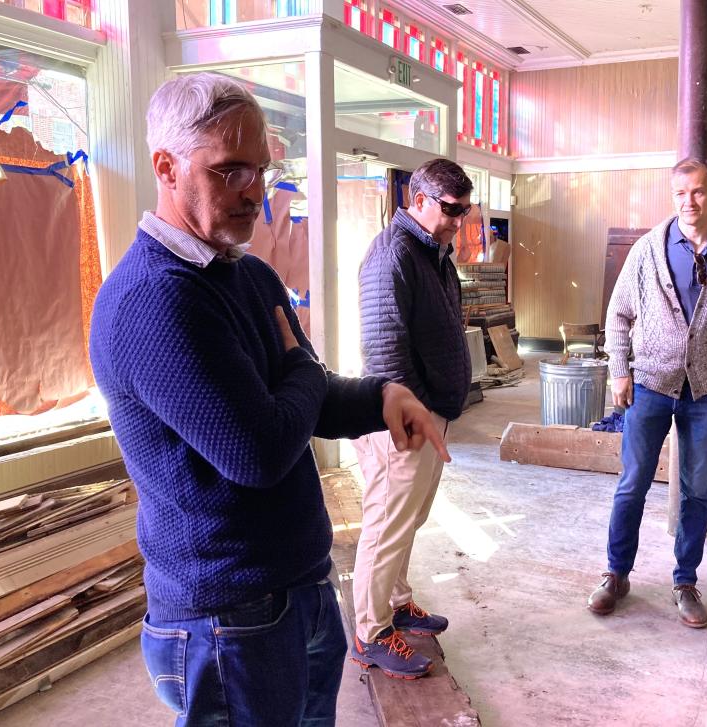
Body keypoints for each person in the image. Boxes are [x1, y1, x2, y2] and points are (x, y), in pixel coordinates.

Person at [89, 72, 448, 726]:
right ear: (165, 167)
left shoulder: (245, 273)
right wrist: (297, 366)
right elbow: (257, 450)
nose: (255, 190)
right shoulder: (153, 301)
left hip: (295, 590)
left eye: (261, 169)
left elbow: (303, 393)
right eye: (230, 171)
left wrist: (379, 396)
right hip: (226, 618)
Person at [588, 158, 707, 629]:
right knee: (633, 482)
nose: (689, 202)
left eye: (699, 192)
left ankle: (685, 580)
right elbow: (618, 313)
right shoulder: (648, 250)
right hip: (650, 384)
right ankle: (616, 574)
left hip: (704, 389)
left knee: (696, 490)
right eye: (680, 194)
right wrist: (619, 370)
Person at [349, 159, 473, 678]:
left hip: (429, 415)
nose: (458, 222)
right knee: (386, 523)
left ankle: (397, 603)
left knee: (409, 520)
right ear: (418, 200)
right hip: (404, 422)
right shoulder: (392, 256)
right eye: (450, 210)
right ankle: (371, 632)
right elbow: (385, 353)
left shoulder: (432, 252)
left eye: (464, 211)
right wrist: (415, 418)